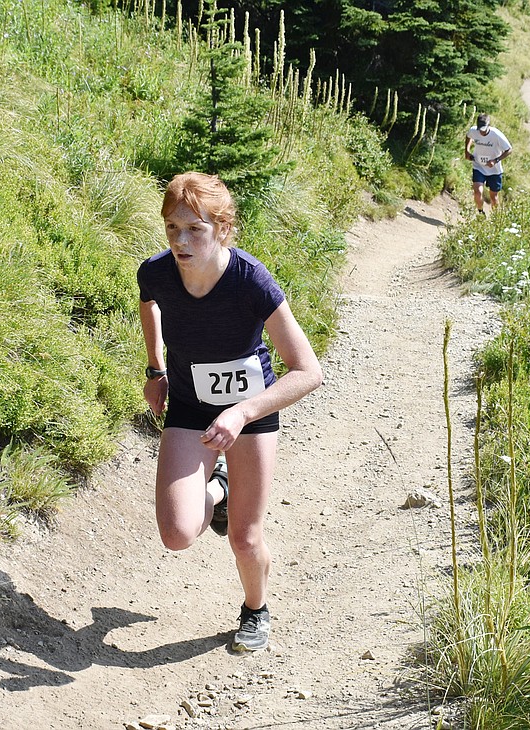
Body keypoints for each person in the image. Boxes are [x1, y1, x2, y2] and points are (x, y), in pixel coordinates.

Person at [137, 172, 323, 653]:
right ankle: (217, 489)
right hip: (190, 405)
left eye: (194, 229)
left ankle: (255, 609)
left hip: (251, 410)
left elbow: (308, 371)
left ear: (222, 228)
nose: (181, 240)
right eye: (172, 228)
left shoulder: (250, 281)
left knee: (244, 538)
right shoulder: (155, 272)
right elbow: (149, 303)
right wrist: (156, 370)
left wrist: (241, 413)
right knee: (177, 535)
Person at [464, 113, 513, 215]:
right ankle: (481, 212)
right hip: (479, 166)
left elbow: (509, 150)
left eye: (484, 129)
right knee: (477, 191)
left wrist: (495, 160)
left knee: (493, 197)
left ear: (489, 125)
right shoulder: (473, 130)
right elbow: (468, 137)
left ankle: (496, 218)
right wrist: (467, 151)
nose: (481, 132)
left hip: (494, 170)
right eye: (480, 129)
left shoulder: (497, 135)